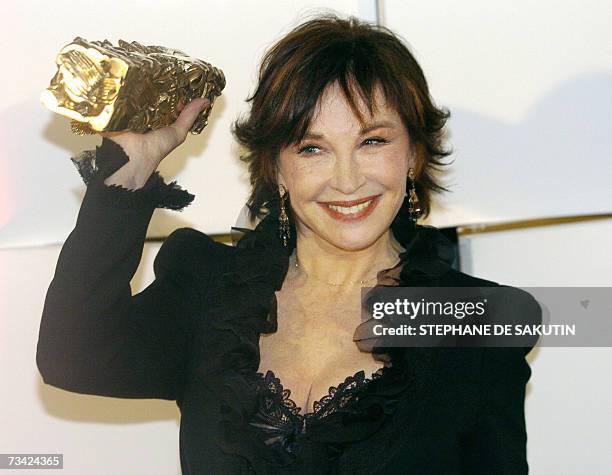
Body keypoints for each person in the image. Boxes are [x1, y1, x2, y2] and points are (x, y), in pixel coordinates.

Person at [36, 13, 540, 474]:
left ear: (413, 155)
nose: (346, 180)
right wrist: (134, 163)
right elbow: (72, 356)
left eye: (373, 141)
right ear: (276, 167)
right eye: (312, 148)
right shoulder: (211, 291)